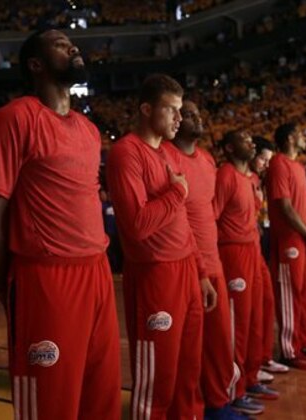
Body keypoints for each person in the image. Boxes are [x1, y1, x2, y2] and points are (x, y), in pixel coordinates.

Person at [0, 30, 121, 419]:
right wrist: (8, 290)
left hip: (97, 270)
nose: (73, 46)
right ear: (35, 65)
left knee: (101, 392)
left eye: (71, 42)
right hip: (45, 277)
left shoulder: (89, 130)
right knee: (51, 401)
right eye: (60, 43)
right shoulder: (11, 120)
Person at [107, 74, 215, 419]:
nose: (179, 119)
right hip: (155, 274)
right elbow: (137, 225)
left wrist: (200, 273)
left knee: (187, 369)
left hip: (185, 269)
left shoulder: (166, 154)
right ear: (146, 109)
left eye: (180, 111)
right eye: (171, 110)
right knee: (159, 376)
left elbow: (180, 223)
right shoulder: (126, 153)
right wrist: (177, 192)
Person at [173, 101, 247, 419]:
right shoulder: (165, 156)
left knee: (219, 340)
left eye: (198, 113)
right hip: (186, 264)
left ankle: (217, 404)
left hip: (213, 261)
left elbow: (208, 215)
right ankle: (194, 407)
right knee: (189, 349)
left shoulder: (206, 160)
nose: (196, 118)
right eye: (188, 114)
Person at [216, 130, 279, 414]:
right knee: (237, 324)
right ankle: (233, 390)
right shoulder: (226, 175)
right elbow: (212, 218)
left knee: (255, 318)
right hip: (233, 254)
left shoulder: (249, 178)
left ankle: (250, 378)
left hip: (252, 250)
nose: (252, 141)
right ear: (229, 148)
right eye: (245, 139)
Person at [266, 123, 306, 371]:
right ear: (290, 138)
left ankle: (303, 341)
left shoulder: (298, 166)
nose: (304, 136)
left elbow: (303, 204)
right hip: (290, 240)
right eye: (300, 133)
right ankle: (289, 350)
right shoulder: (279, 163)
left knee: (304, 292)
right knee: (290, 294)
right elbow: (285, 207)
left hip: (303, 238)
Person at [248, 138, 288, 377]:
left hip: (255, 245)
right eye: (263, 158)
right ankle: (249, 366)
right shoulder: (230, 176)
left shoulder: (255, 179)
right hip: (238, 251)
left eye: (269, 160)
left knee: (265, 302)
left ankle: (262, 357)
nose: (266, 164)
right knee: (248, 312)